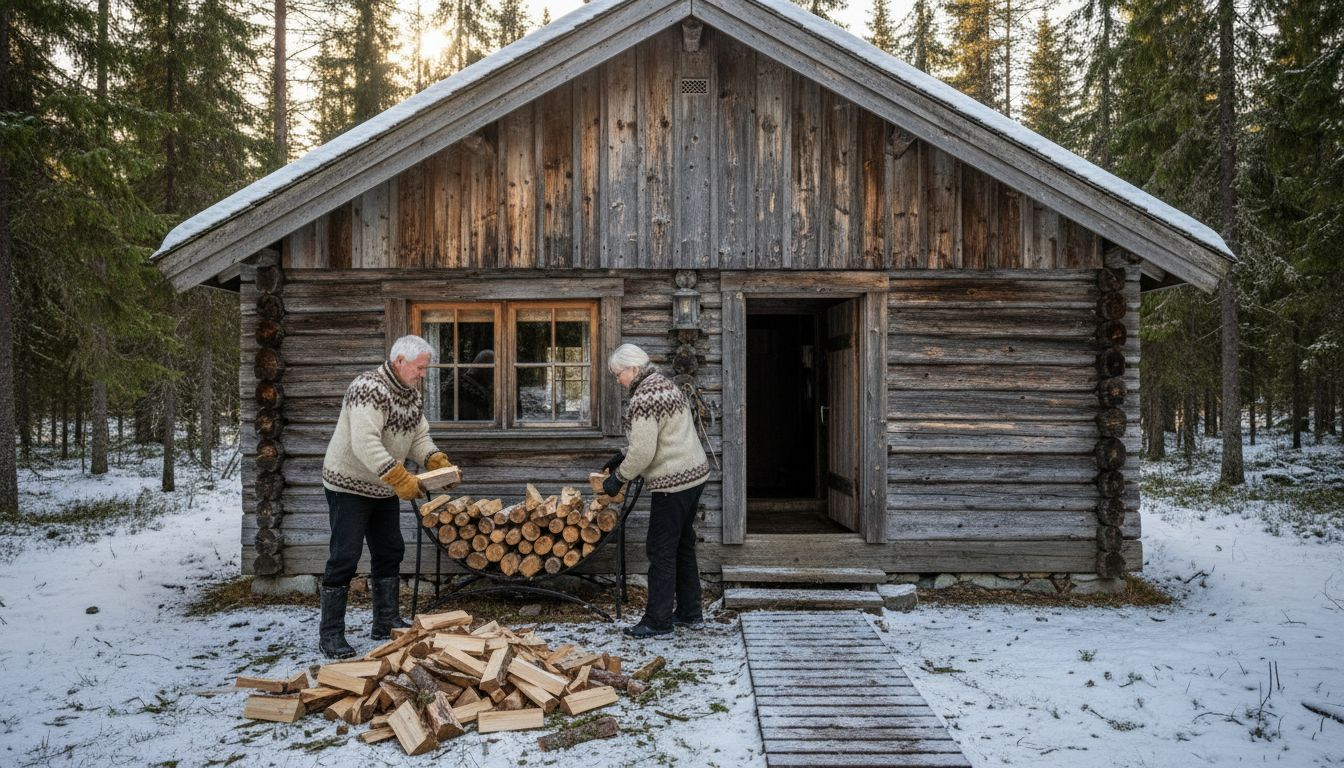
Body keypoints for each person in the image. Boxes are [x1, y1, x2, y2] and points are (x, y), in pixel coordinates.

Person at [318, 335, 456, 658]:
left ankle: (385, 621)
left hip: (383, 485)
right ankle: (331, 635)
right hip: (348, 484)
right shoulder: (368, 388)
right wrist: (398, 477)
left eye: (425, 368)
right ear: (400, 362)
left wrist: (434, 459)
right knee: (345, 556)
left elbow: (418, 437)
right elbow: (364, 442)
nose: (423, 374)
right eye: (420, 368)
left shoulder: (409, 395)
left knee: (390, 549)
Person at [602, 343, 710, 639]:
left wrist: (619, 477)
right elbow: (659, 435)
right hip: (694, 475)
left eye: (618, 374)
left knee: (660, 549)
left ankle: (658, 621)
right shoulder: (665, 385)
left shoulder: (644, 396)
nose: (617, 380)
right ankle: (690, 613)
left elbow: (645, 452)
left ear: (633, 369)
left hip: (672, 482)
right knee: (682, 545)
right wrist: (624, 454)